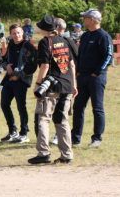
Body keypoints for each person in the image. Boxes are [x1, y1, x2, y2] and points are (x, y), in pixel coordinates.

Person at [28, 15, 76, 164]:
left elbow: (45, 66)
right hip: (67, 85)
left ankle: (43, 153)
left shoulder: (45, 42)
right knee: (62, 120)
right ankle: (67, 155)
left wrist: (37, 83)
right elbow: (72, 65)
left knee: (43, 118)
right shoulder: (66, 40)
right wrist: (74, 85)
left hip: (51, 86)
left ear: (44, 29)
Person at [71, 9, 113, 148]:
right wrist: (77, 72)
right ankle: (75, 138)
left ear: (93, 20)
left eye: (86, 17)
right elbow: (80, 55)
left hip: (96, 78)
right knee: (78, 107)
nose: (84, 20)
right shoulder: (85, 36)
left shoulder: (103, 36)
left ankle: (97, 138)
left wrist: (97, 72)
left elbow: (108, 56)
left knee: (97, 108)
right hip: (82, 76)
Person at [0, 24, 37, 143]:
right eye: (14, 33)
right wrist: (7, 66)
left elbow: (32, 65)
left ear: (23, 33)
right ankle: (12, 131)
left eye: (18, 33)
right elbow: (3, 60)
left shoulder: (28, 46)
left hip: (21, 81)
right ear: (10, 34)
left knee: (21, 106)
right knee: (4, 104)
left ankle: (24, 133)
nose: (16, 35)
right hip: (9, 79)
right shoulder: (10, 45)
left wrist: (18, 75)